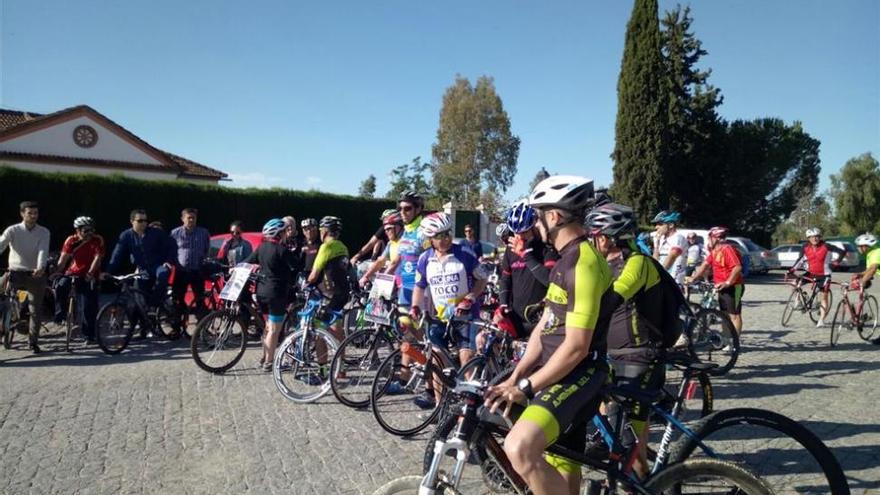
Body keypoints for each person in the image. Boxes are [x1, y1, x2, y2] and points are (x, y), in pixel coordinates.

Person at [484, 175, 614, 495]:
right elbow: (546, 324)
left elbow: (576, 347)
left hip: (579, 372)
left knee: (519, 447)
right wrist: (516, 375)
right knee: (562, 461)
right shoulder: (564, 259)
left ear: (554, 216)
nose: (537, 222)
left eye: (539, 214)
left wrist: (525, 387)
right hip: (556, 370)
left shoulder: (582, 262)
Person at [586, 202, 679, 479]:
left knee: (632, 445)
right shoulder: (605, 264)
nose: (593, 240)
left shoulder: (637, 263)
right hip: (613, 356)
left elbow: (613, 298)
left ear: (606, 236)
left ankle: (647, 486)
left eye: (595, 235)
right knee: (612, 435)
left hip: (640, 358)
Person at [409, 212, 488, 409]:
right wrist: (415, 307)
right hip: (439, 317)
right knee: (436, 358)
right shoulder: (424, 259)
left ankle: (472, 407)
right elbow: (419, 287)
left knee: (466, 357)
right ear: (430, 239)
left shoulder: (465, 253)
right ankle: (439, 406)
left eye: (447, 234)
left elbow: (482, 278)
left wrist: (471, 297)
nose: (444, 239)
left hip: (465, 316)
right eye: (438, 236)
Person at [106, 209, 176, 335]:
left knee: (163, 274)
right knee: (138, 300)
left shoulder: (156, 233)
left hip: (157, 265)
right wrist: (108, 272)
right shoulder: (126, 235)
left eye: (145, 220)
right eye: (140, 221)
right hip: (142, 270)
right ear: (132, 221)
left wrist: (169, 261)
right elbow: (117, 255)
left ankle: (154, 305)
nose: (144, 223)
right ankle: (144, 328)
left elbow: (172, 245)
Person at [495, 200, 557, 339]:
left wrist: (526, 256)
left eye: (524, 232)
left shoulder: (546, 247)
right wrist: (503, 303)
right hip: (516, 317)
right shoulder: (510, 249)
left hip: (541, 319)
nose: (519, 236)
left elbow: (549, 280)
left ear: (534, 226)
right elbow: (505, 279)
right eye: (515, 232)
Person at [246, 218, 297, 371]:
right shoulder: (282, 250)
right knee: (274, 330)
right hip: (276, 293)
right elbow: (296, 267)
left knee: (268, 328)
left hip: (261, 292)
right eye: (283, 232)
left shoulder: (261, 247)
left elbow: (248, 261)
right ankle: (269, 362)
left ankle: (264, 358)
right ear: (279, 233)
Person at [0, 201, 51, 353]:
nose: (33, 216)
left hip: (35, 273)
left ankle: (33, 342)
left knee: (35, 309)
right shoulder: (13, 230)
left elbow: (43, 250)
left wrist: (40, 267)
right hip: (15, 271)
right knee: (6, 300)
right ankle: (6, 325)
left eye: (36, 213)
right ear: (22, 214)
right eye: (30, 213)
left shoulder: (43, 232)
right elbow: (1, 244)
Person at [306, 216, 351, 373]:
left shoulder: (326, 247)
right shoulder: (344, 247)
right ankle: (341, 368)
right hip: (342, 294)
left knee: (319, 331)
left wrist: (306, 284)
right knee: (337, 331)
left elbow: (314, 274)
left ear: (324, 231)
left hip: (328, 294)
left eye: (320, 230)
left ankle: (323, 369)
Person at [52, 216, 104, 345]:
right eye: (86, 230)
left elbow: (97, 258)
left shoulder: (98, 240)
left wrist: (91, 273)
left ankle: (89, 335)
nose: (89, 233)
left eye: (91, 230)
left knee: (89, 305)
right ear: (78, 230)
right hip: (73, 272)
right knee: (61, 286)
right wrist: (57, 272)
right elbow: (63, 258)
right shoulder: (71, 240)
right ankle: (61, 314)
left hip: (90, 274)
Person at [687, 226, 745, 336]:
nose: (708, 241)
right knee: (724, 314)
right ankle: (726, 338)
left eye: (710, 238)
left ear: (716, 238)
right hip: (720, 286)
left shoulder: (727, 249)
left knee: (734, 315)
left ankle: (734, 342)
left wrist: (728, 282)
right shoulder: (714, 251)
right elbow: (705, 265)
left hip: (733, 286)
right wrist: (693, 278)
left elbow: (737, 267)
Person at [790, 228, 845, 327]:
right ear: (808, 238)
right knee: (795, 282)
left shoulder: (826, 246)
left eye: (817, 236)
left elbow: (842, 252)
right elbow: (800, 259)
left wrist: (836, 263)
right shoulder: (805, 247)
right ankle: (798, 301)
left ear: (820, 237)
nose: (815, 239)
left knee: (824, 296)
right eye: (812, 237)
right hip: (811, 272)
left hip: (824, 274)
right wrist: (791, 270)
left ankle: (821, 320)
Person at [170, 208, 211, 326]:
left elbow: (206, 249)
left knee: (200, 299)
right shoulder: (175, 233)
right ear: (183, 219)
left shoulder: (204, 233)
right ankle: (177, 326)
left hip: (197, 271)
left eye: (194, 217)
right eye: (189, 218)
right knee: (177, 299)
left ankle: (202, 327)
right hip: (181, 271)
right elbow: (171, 251)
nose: (191, 220)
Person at [358, 212, 404, 287]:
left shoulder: (405, 242)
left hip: (404, 284)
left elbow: (395, 263)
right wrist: (366, 276)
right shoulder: (391, 243)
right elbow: (380, 261)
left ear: (399, 226)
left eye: (389, 229)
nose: (386, 232)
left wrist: (383, 278)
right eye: (385, 230)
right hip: (393, 281)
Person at [651, 210, 687, 285]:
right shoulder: (660, 239)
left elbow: (672, 256)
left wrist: (658, 274)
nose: (656, 227)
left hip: (674, 282)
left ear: (671, 225)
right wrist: (656, 245)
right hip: (662, 280)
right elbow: (655, 261)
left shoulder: (679, 238)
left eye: (660, 224)